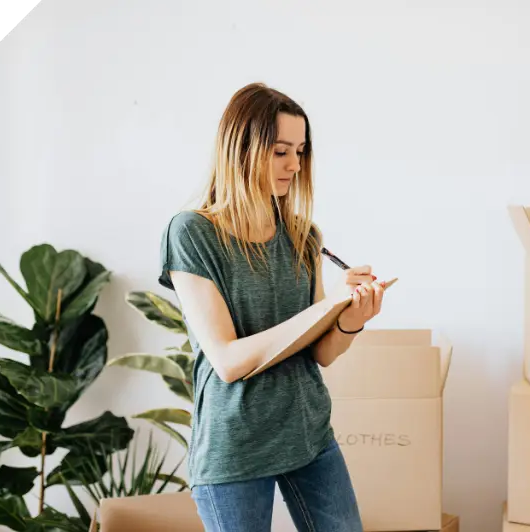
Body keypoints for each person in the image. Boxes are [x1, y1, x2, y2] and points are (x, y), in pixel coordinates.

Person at [157, 82, 385, 532]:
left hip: (307, 432)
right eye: (281, 151)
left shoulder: (303, 235)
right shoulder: (191, 234)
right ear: (241, 149)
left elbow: (319, 353)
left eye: (300, 152)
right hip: (235, 445)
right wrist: (328, 306)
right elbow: (227, 361)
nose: (294, 165)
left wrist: (350, 321)